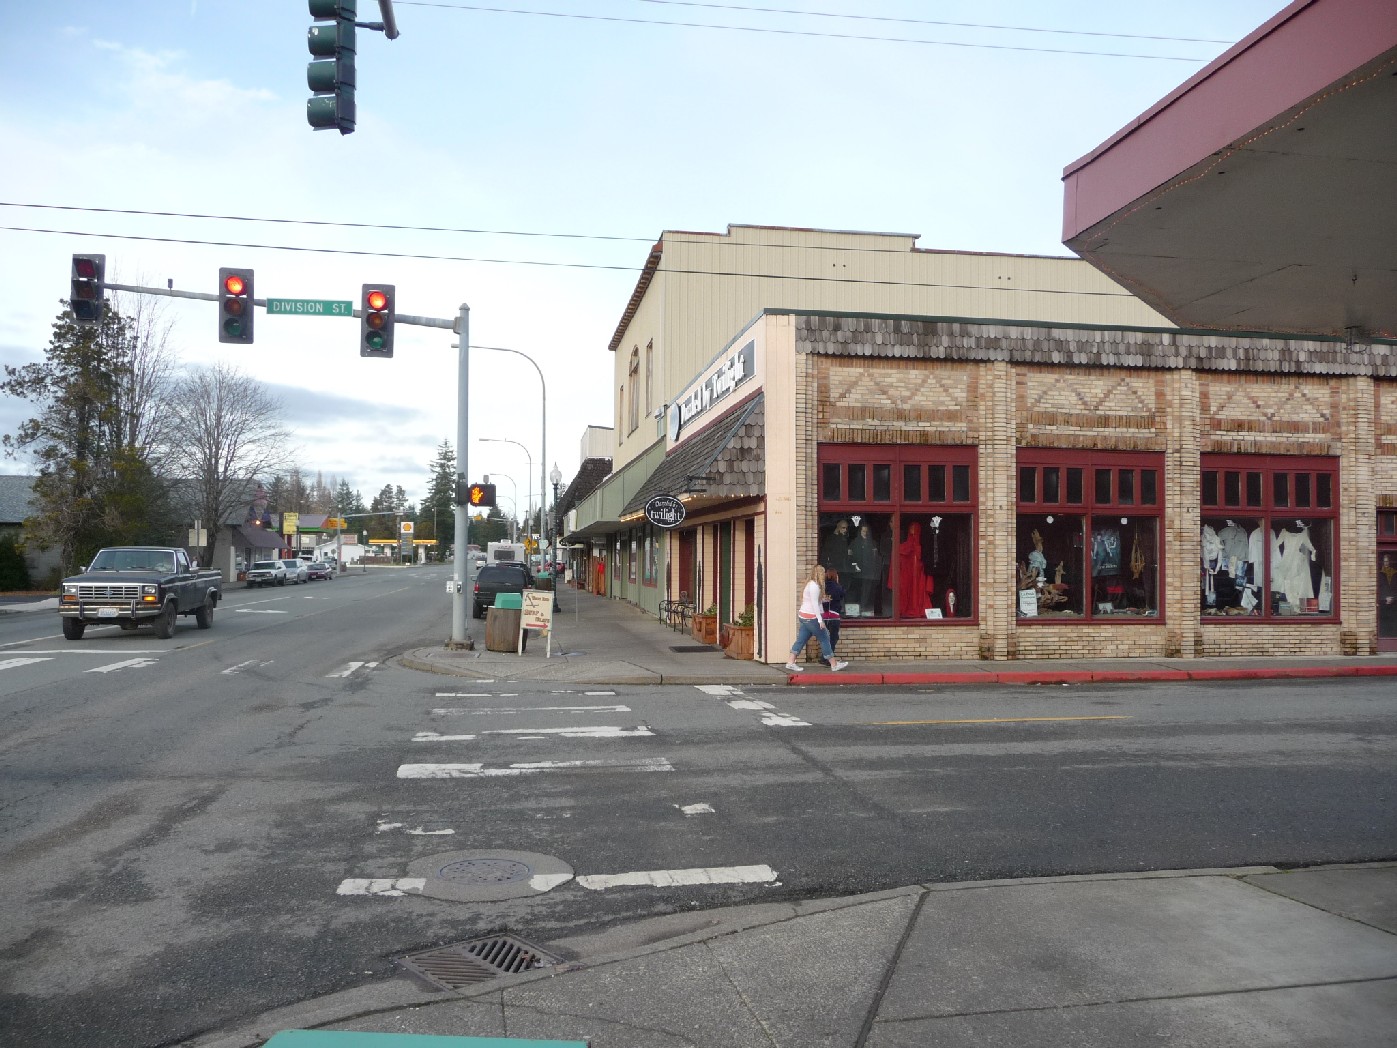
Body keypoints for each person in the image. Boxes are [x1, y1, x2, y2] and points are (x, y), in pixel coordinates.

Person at [786, 562, 848, 673]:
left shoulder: (810, 584)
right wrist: (820, 620)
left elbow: (813, 601)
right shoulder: (815, 586)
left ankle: (790, 662)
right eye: (823, 573)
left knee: (802, 639)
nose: (824, 575)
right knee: (825, 638)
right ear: (819, 574)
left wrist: (823, 600)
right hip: (811, 617)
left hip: (804, 616)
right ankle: (834, 664)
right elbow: (814, 604)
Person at [849, 522, 883, 616]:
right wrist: (854, 566)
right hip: (857, 571)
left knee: (867, 590)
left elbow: (876, 558)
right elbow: (850, 556)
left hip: (869, 571)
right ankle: (856, 608)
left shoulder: (873, 543)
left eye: (866, 531)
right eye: (863, 531)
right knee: (857, 590)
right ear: (860, 531)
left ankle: (864, 607)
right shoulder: (854, 542)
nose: (865, 533)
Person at [820, 568, 846, 666]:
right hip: (834, 615)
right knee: (833, 637)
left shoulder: (822, 587)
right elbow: (843, 594)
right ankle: (826, 658)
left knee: (825, 638)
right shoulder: (837, 587)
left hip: (824, 615)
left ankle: (824, 657)